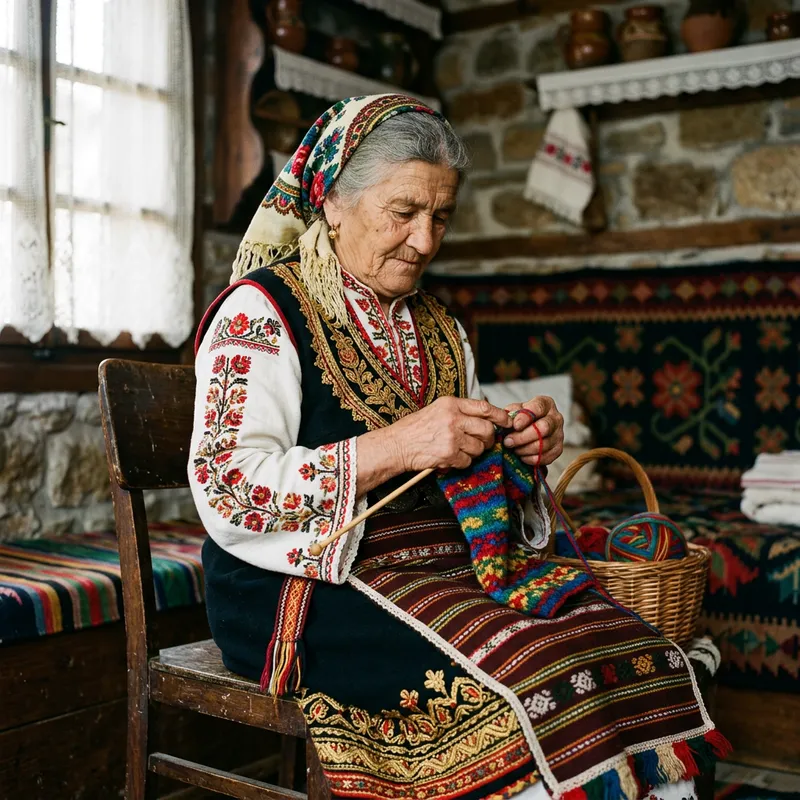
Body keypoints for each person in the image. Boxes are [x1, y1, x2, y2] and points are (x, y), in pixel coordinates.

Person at [189, 95, 725, 800]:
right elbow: (229, 486)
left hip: (445, 568)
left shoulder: (441, 329)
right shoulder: (262, 312)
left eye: (440, 216)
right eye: (403, 212)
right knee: (532, 675)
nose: (424, 241)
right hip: (301, 585)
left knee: (631, 646)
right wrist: (400, 445)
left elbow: (474, 483)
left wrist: (520, 452)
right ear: (334, 203)